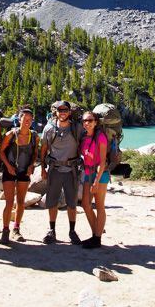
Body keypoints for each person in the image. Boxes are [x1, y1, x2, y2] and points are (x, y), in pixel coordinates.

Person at [40, 100, 81, 245]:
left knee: (72, 203)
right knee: (52, 201)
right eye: (60, 110)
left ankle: (72, 231)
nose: (62, 113)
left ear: (69, 112)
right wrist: (42, 168)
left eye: (65, 110)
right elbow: (44, 149)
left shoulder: (77, 128)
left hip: (72, 170)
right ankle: (52, 230)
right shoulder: (49, 129)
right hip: (55, 169)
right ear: (56, 112)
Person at [0, 105, 38, 244]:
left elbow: (35, 154)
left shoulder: (34, 136)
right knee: (9, 202)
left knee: (20, 202)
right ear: (19, 119)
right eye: (24, 118)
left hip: (24, 171)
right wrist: (8, 166)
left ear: (32, 121)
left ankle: (16, 229)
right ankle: (5, 230)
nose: (27, 121)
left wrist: (31, 165)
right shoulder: (11, 134)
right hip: (10, 170)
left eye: (29, 119)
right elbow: (1, 151)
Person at [79, 111, 109, 249]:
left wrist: (96, 181)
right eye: (84, 120)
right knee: (85, 204)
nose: (87, 123)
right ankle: (95, 234)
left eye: (90, 120)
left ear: (96, 122)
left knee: (99, 205)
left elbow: (102, 162)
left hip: (100, 175)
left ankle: (97, 238)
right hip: (88, 173)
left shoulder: (101, 137)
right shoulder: (84, 137)